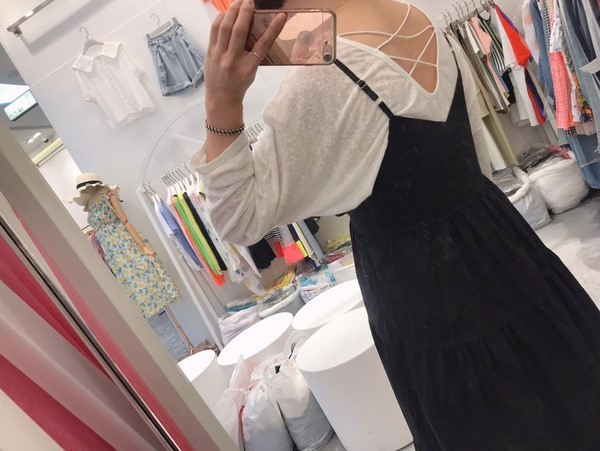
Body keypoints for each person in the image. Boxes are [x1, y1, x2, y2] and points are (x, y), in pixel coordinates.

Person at [192, 0, 600, 449]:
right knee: (564, 378)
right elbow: (474, 154)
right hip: (498, 237)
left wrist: (221, 102)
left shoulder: (323, 74)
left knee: (490, 421)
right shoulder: (413, 16)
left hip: (423, 288)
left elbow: (237, 219)